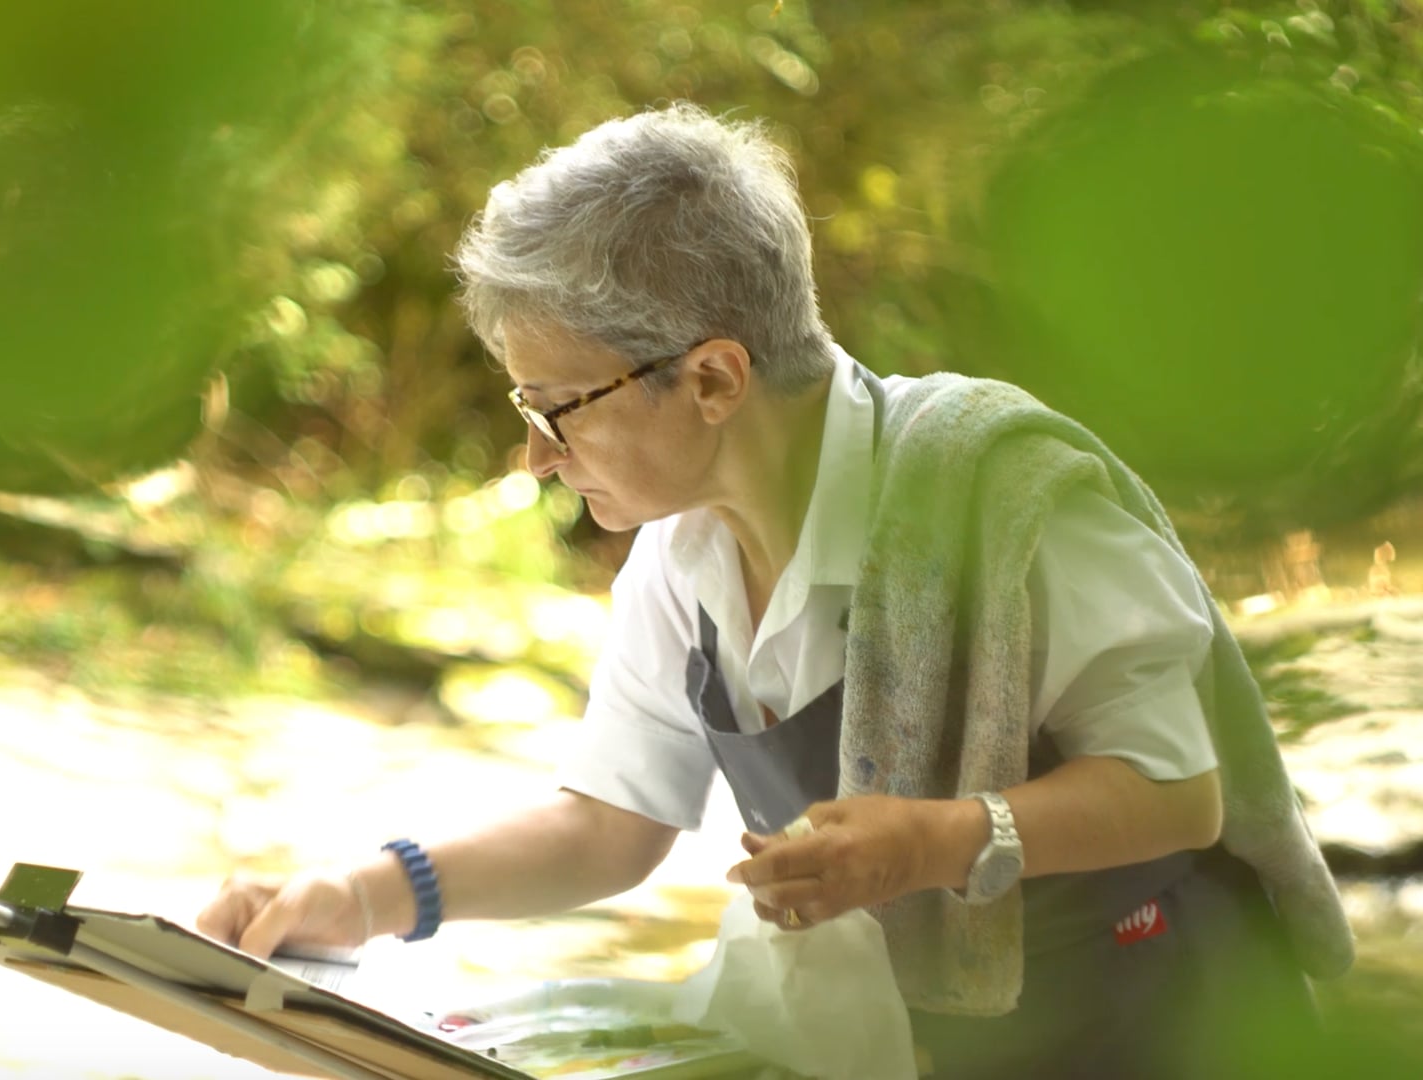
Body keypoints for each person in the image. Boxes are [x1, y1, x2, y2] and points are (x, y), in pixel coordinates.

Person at [197, 103, 1353, 1078]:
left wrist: (938, 841)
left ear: (710, 378)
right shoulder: (685, 553)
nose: (539, 456)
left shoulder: (1008, 506)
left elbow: (1177, 790)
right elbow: (609, 825)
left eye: (556, 409)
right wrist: (361, 895)